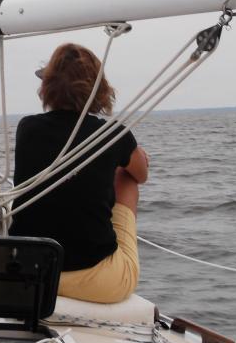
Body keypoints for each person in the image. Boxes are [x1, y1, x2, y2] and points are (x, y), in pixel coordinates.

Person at [9, 43, 149, 303]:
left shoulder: (27, 128)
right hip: (96, 282)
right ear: (99, 91)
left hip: (31, 274)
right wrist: (130, 151)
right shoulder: (113, 134)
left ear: (47, 87)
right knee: (126, 178)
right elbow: (141, 175)